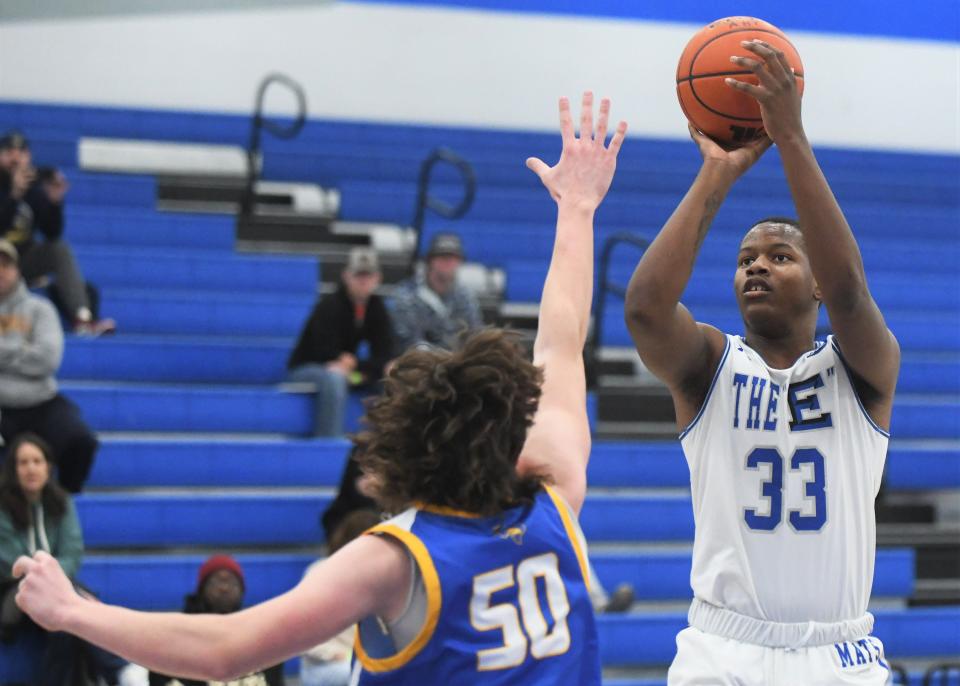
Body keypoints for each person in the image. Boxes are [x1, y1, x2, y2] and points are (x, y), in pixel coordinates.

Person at [10, 91, 627, 685]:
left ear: (406, 448)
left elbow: (226, 650)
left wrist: (73, 612)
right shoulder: (556, 497)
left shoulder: (394, 560)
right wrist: (577, 210)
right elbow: (561, 342)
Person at [624, 40, 899, 685]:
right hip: (724, 648)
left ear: (816, 285)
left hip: (838, 652)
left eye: (780, 256)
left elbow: (853, 292)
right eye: (747, 257)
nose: (757, 265)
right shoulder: (710, 365)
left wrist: (791, 137)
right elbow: (643, 310)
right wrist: (715, 176)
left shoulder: (863, 368)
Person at [0, 433, 127, 685]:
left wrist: (53, 579)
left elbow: (72, 551)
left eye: (37, 461)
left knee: (66, 620)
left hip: (57, 585)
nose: (31, 468)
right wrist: (48, 578)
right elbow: (11, 561)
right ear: (13, 469)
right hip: (11, 589)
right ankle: (122, 671)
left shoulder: (62, 502)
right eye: (23, 462)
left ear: (48, 466)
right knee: (71, 609)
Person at [0, 239, 100, 493]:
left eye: (6, 265)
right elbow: (34, 356)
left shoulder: (40, 309)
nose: (1, 271)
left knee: (82, 441)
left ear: (17, 269)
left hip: (42, 401)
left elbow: (47, 359)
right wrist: (23, 350)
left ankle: (61, 504)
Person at [0, 131, 115, 336]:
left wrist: (54, 203)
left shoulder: (34, 188)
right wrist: (14, 195)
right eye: (9, 152)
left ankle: (83, 319)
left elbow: (52, 234)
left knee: (82, 284)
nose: (15, 158)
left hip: (22, 263)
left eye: (21, 152)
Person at [287, 247, 394, 436]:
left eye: (368, 275)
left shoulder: (376, 308)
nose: (363, 281)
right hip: (308, 368)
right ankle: (328, 445)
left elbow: (385, 354)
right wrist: (340, 359)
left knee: (391, 378)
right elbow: (320, 350)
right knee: (335, 379)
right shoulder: (330, 305)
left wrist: (356, 364)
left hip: (350, 372)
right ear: (346, 276)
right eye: (358, 275)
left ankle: (388, 446)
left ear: (378, 278)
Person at [148, 555, 285, 686]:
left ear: (242, 590)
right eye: (216, 581)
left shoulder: (257, 639)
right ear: (202, 589)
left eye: (231, 581)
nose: (224, 588)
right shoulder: (178, 637)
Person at [300, 509, 382, 686]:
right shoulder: (320, 572)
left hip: (365, 663)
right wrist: (334, 655)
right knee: (358, 675)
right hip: (326, 666)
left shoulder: (383, 577)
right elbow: (302, 632)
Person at [390, 232, 483, 352]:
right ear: (430, 261)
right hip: (418, 362)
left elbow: (475, 332)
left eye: (453, 258)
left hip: (457, 361)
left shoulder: (465, 296)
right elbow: (405, 337)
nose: (447, 263)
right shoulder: (407, 294)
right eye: (442, 257)